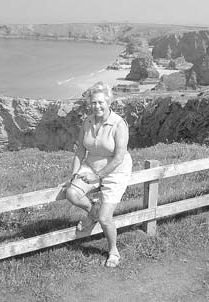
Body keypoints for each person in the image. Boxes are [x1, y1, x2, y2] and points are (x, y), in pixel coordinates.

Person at [65, 84, 132, 268]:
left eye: (101, 102)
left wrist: (98, 177)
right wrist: (74, 174)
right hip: (92, 165)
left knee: (105, 218)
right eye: (93, 103)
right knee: (72, 193)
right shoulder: (87, 122)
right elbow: (80, 150)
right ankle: (93, 211)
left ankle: (113, 250)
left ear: (109, 101)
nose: (97, 106)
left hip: (115, 169)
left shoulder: (119, 124)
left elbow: (119, 157)